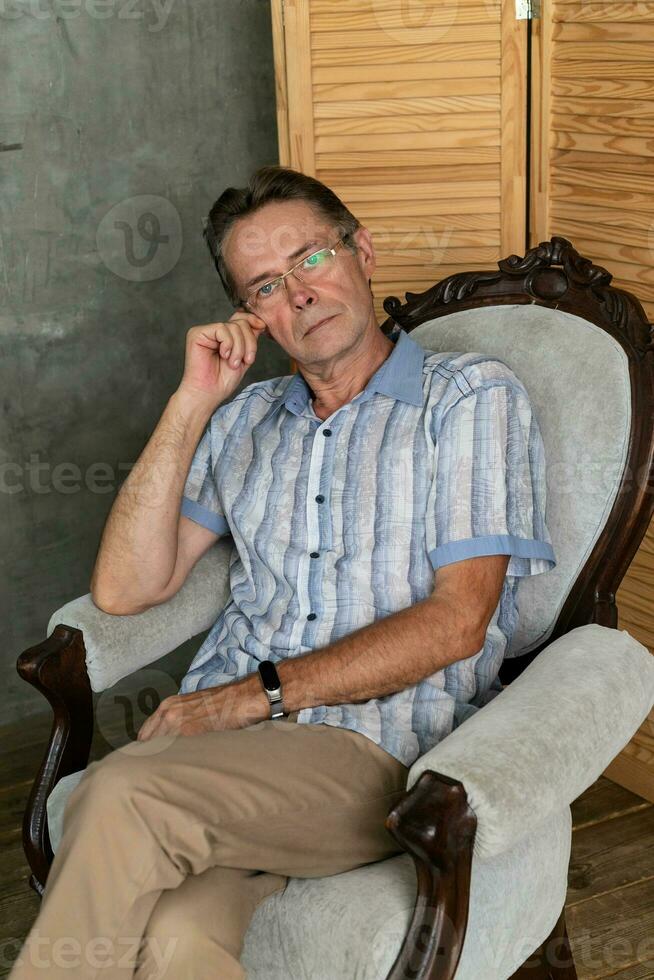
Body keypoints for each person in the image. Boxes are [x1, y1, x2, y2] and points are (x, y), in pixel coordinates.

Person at [10, 165, 556, 979]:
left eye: (310, 259)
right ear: (250, 316)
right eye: (265, 285)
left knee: (119, 795)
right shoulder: (247, 418)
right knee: (179, 942)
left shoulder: (469, 399)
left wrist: (252, 695)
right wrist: (193, 401)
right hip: (233, 760)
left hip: (373, 752)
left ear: (361, 252)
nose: (297, 295)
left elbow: (458, 622)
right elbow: (126, 588)